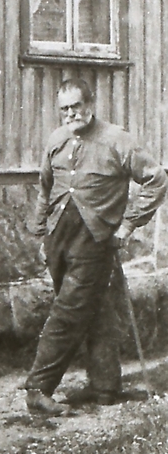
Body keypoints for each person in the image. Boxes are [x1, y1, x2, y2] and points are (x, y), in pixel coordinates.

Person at [24, 78, 168, 416]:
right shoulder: (56, 140)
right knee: (95, 307)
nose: (71, 113)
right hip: (59, 237)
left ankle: (38, 388)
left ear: (91, 103)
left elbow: (156, 179)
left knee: (69, 311)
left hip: (95, 239)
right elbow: (44, 187)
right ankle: (105, 387)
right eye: (65, 108)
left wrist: (129, 224)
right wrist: (39, 231)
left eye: (77, 106)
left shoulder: (117, 139)